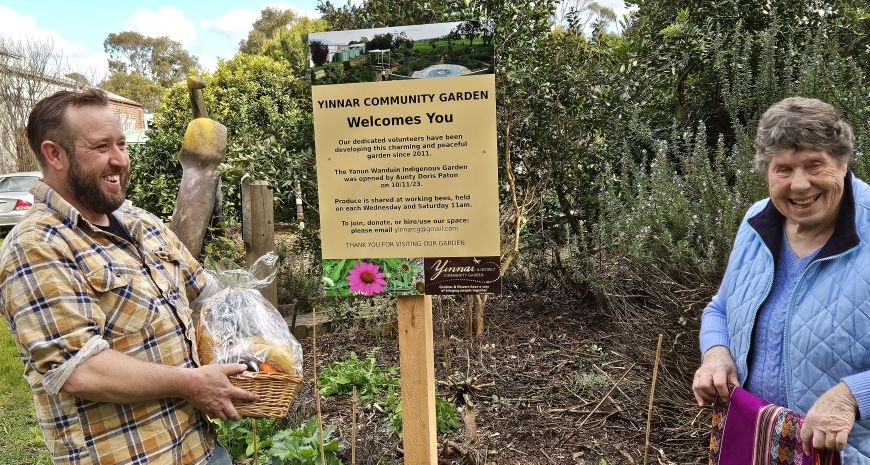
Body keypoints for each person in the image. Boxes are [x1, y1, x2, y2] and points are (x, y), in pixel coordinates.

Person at [0, 89, 256, 464]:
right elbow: (81, 369)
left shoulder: (141, 223)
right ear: (54, 154)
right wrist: (191, 384)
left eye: (121, 144)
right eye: (101, 146)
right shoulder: (36, 246)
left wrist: (256, 333)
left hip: (200, 447)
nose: (120, 159)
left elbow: (207, 296)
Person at [693, 96, 870, 462]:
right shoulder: (757, 221)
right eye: (784, 169)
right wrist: (716, 353)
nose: (800, 185)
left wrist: (852, 395)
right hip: (757, 443)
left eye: (814, 165)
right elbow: (720, 308)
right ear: (767, 172)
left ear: (843, 161)